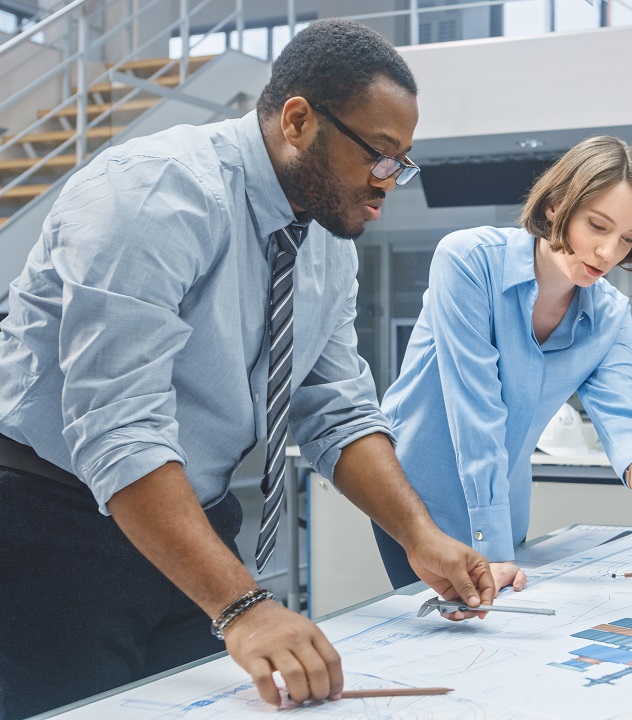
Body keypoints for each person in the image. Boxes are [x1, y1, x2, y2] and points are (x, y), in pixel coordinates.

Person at [0, 20, 496, 718]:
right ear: (298, 120)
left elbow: (335, 408)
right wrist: (246, 607)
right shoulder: (154, 195)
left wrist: (422, 537)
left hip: (193, 524)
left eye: (402, 162)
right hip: (55, 525)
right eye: (381, 156)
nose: (390, 182)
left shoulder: (326, 239)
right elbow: (119, 429)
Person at [374, 136, 632, 592]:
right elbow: (475, 408)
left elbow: (619, 409)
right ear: (556, 206)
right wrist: (495, 551)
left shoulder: (611, 314)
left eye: (628, 239)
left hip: (503, 506)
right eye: (597, 227)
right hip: (417, 504)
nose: (609, 253)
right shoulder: (468, 261)